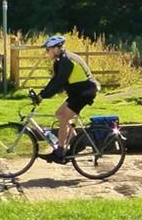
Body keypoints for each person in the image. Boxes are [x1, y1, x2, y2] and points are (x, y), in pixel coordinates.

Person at [35, 35, 99, 163]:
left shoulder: (66, 61)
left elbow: (59, 82)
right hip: (77, 92)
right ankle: (77, 143)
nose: (46, 53)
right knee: (59, 114)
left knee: (64, 118)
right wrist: (41, 94)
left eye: (48, 50)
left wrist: (42, 96)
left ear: (56, 48)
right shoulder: (60, 60)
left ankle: (59, 152)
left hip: (85, 92)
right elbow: (54, 81)